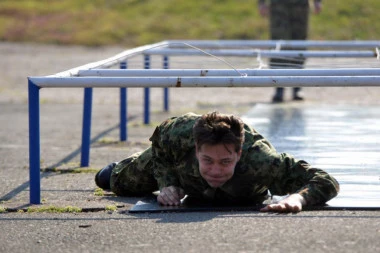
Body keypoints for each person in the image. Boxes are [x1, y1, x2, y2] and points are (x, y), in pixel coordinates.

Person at [95, 112, 339, 213]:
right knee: (110, 180)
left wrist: (298, 197)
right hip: (179, 166)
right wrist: (167, 183)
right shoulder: (178, 134)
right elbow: (160, 147)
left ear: (239, 154)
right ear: (196, 148)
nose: (215, 171)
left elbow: (325, 180)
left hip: (242, 185)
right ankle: (120, 167)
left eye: (225, 161)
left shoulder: (262, 161)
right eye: (208, 160)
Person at [258, 0, 322, 103]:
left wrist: (317, 2)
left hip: (299, 6)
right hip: (279, 6)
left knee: (299, 43)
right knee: (278, 44)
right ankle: (278, 86)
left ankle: (297, 86)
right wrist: (261, 3)